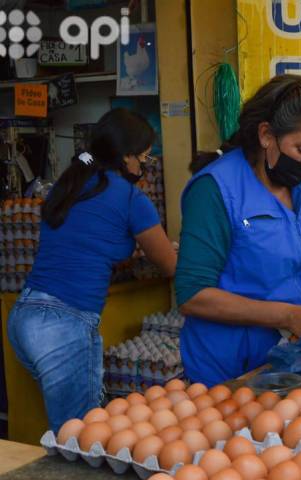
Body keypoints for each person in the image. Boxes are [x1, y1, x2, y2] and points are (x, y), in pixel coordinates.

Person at [175, 75, 301, 386]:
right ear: (266, 135)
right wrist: (288, 315)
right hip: (231, 366)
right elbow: (192, 294)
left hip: (298, 356)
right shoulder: (217, 189)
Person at [7, 108, 177, 433]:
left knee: (72, 429)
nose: (143, 167)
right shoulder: (130, 197)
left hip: (25, 315)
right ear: (126, 156)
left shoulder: (70, 184)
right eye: (143, 159)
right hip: (65, 324)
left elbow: (83, 242)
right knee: (80, 435)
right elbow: (169, 265)